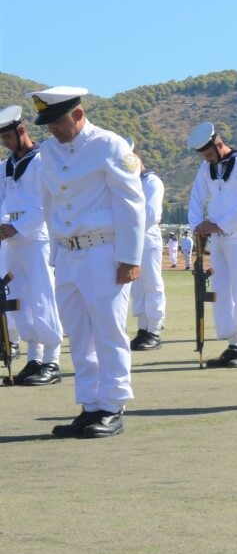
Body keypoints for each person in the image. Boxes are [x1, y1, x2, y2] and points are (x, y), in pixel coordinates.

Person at [27, 86, 143, 436]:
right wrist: (55, 252)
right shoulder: (48, 152)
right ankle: (90, 404)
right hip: (69, 253)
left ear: (78, 114)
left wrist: (129, 258)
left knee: (108, 330)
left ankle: (113, 405)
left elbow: (131, 204)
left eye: (57, 121)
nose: (52, 130)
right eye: (47, 124)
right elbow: (49, 202)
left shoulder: (109, 145)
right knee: (78, 333)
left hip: (103, 252)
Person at [186, 121, 237, 368]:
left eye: (209, 154)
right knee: (222, 291)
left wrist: (219, 225)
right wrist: (197, 226)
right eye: (203, 156)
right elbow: (196, 197)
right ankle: (233, 342)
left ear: (219, 144)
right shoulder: (206, 167)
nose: (207, 160)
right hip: (218, 239)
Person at [0, 105, 64, 384]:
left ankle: (52, 359)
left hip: (36, 237)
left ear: (22, 130)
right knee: (18, 299)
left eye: (8, 137)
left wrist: (16, 226)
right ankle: (33, 357)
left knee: (42, 296)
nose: (5, 143)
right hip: (11, 239)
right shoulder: (5, 166)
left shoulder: (42, 161)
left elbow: (47, 203)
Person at [128, 147, 167, 351]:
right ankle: (142, 328)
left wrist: (127, 228)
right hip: (131, 239)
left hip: (147, 236)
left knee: (152, 282)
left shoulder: (152, 182)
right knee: (137, 286)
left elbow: (151, 214)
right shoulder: (128, 183)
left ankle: (154, 329)